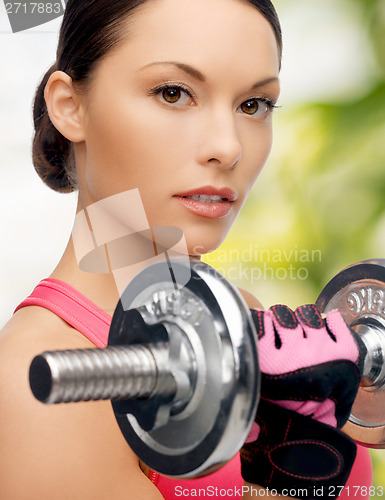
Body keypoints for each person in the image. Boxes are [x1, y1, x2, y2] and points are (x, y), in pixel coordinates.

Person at [0, 0, 373, 498]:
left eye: (253, 105)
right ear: (70, 106)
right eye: (173, 93)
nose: (228, 146)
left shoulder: (244, 319)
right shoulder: (38, 385)